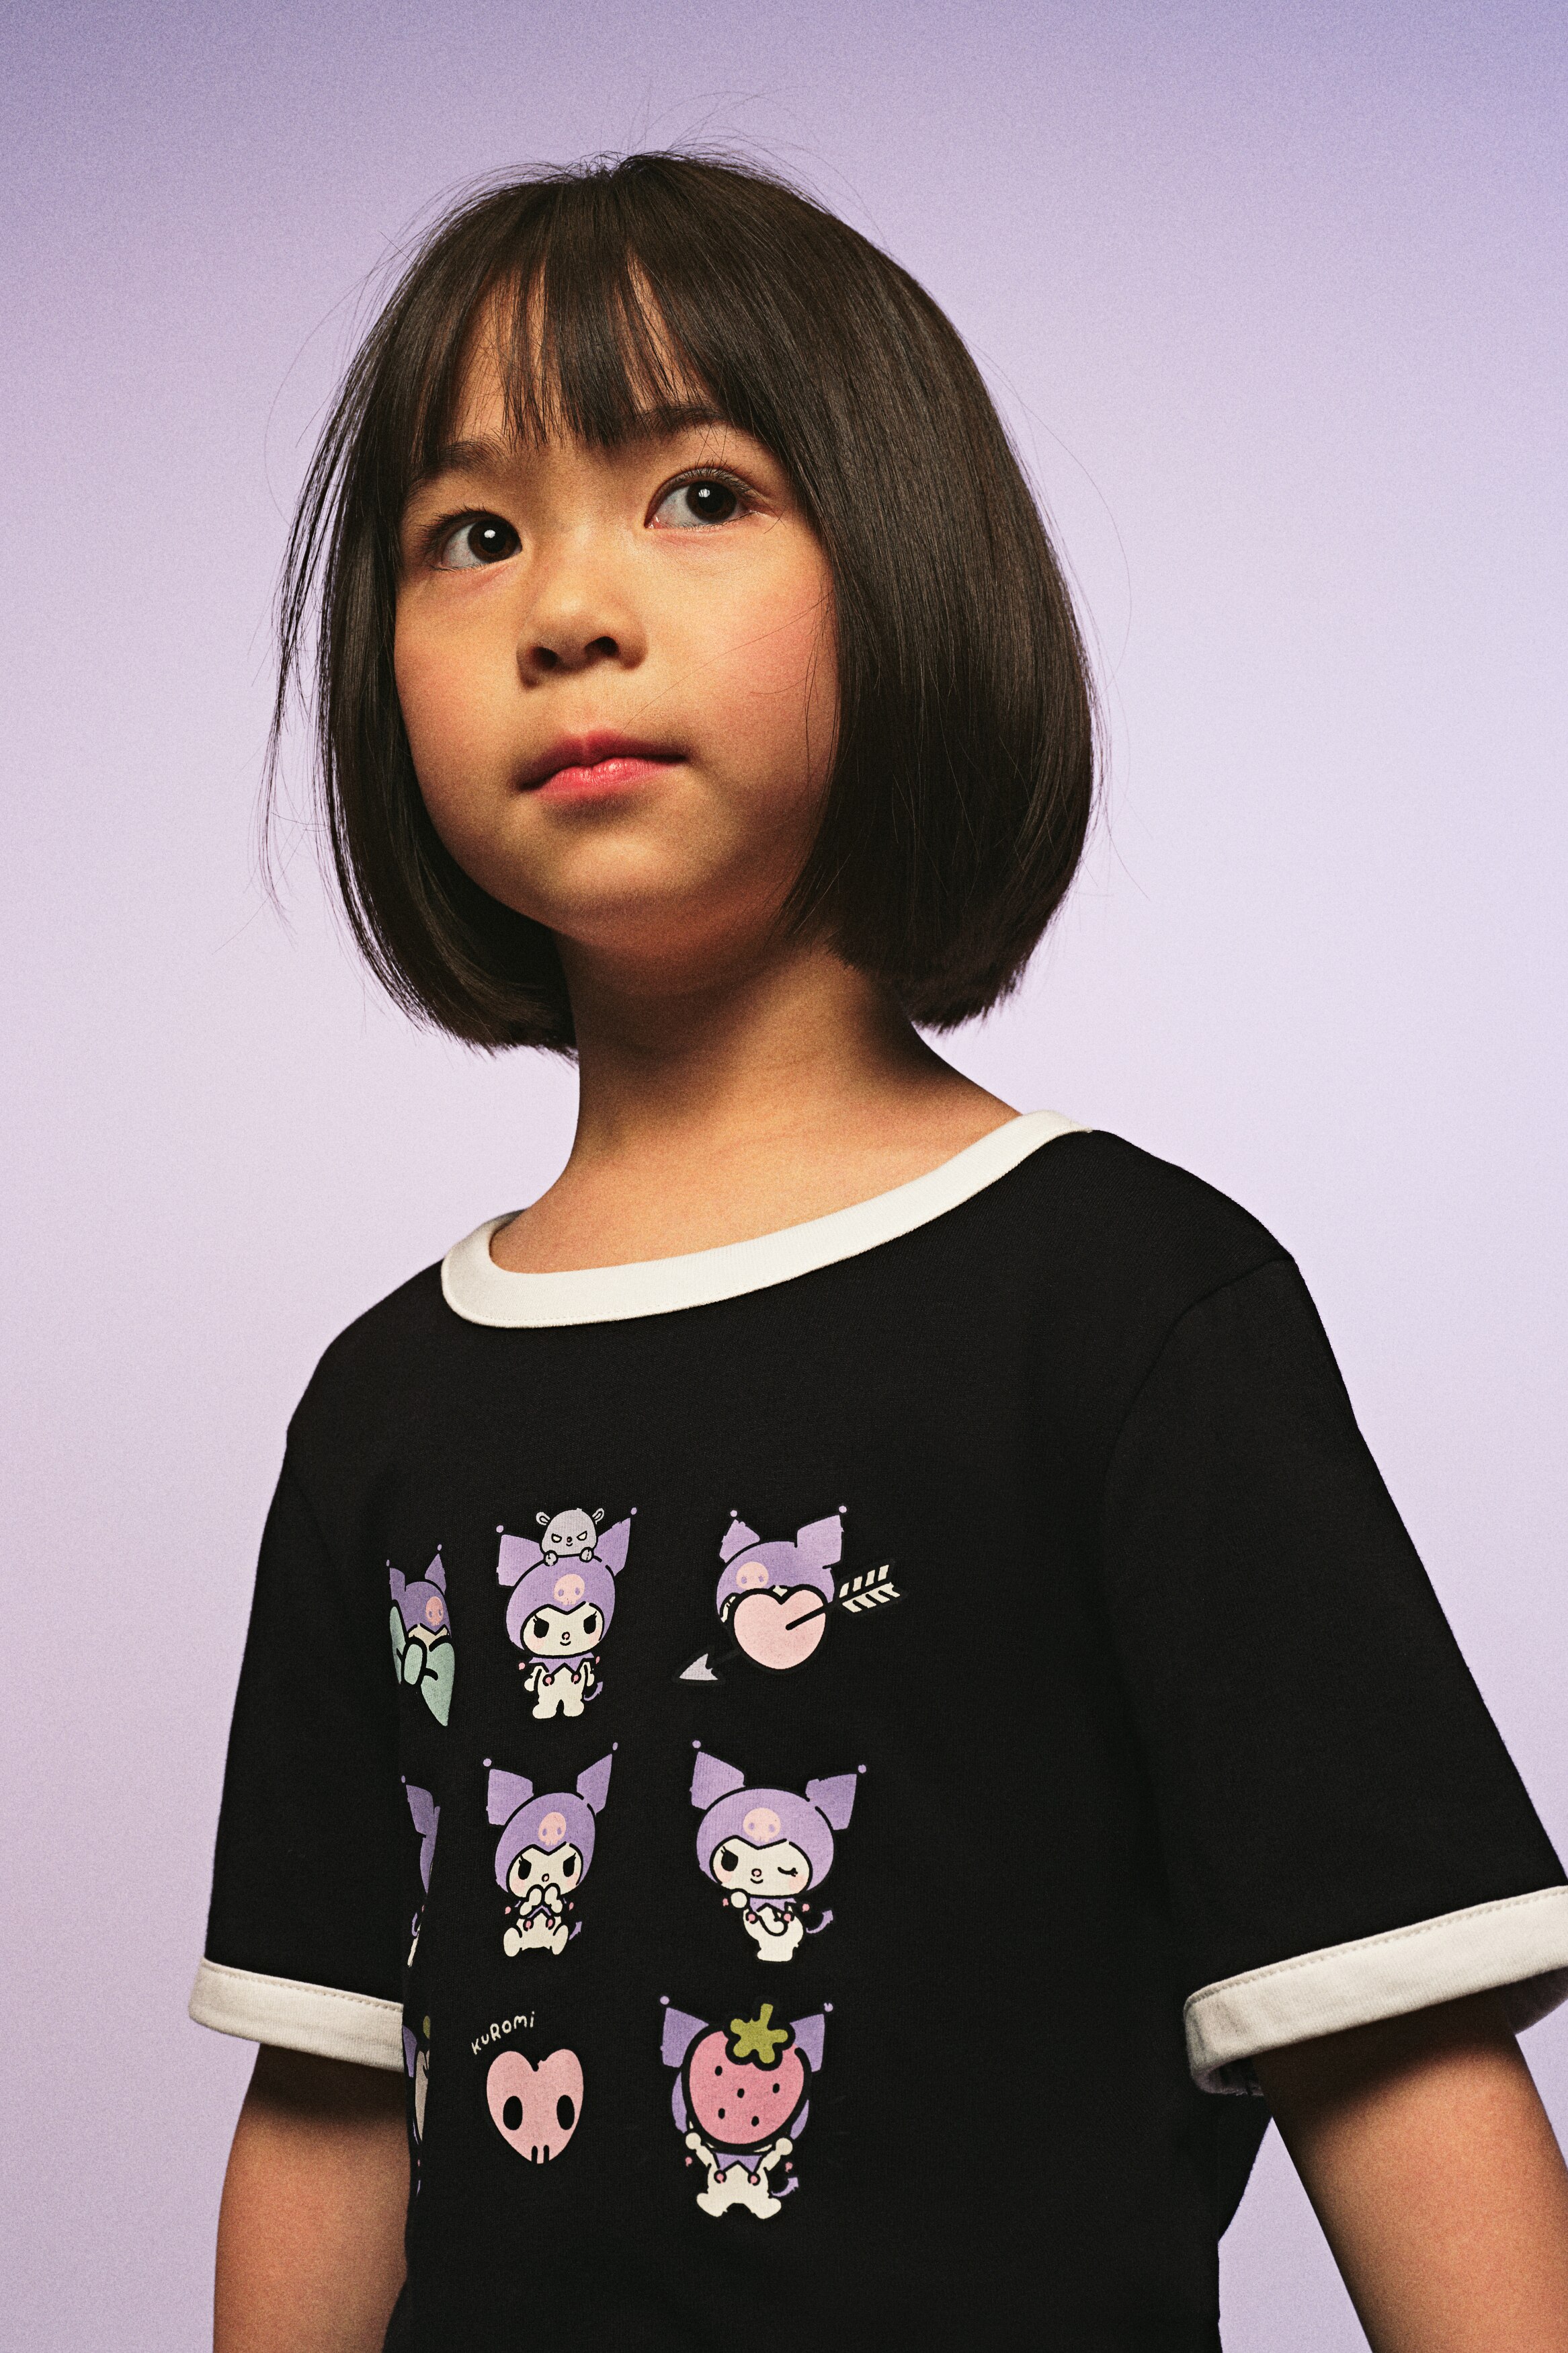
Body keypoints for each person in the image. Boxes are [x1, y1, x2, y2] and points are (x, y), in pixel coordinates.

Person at [192, 153, 1568, 2352]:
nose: (567, 608)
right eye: (473, 533)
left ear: (909, 565)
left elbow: (1391, 2046)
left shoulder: (1127, 1309)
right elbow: (336, 2096)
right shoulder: (385, 1409)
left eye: (700, 494)